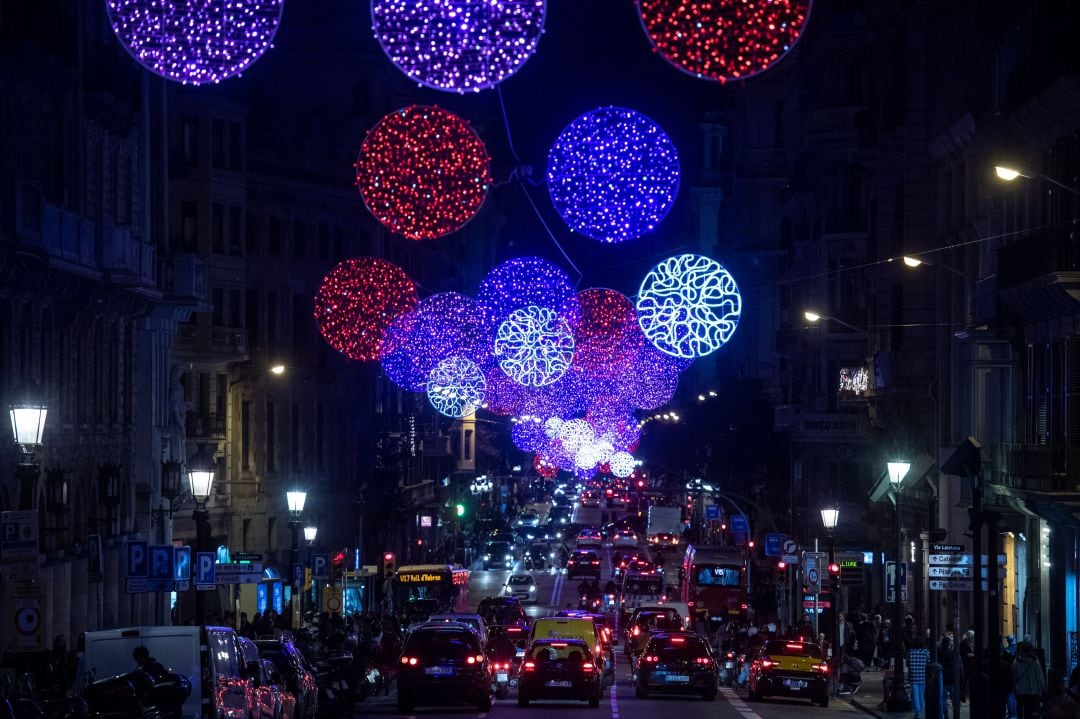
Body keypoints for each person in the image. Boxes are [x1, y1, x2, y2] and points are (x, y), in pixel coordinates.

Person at [1013, 641, 1046, 719]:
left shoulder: (1017, 661)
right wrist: (1043, 688)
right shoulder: (1035, 662)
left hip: (1019, 690)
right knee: (1030, 710)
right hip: (1032, 690)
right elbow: (1040, 677)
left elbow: (1014, 675)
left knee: (1020, 708)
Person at [907, 636, 931, 719]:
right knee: (921, 694)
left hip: (913, 676)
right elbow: (929, 662)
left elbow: (908, 663)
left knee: (915, 694)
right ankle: (920, 709)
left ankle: (918, 711)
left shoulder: (911, 652)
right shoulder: (926, 652)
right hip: (923, 676)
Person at [939, 634, 961, 719]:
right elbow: (957, 665)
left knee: (944, 699)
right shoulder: (952, 653)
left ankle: (946, 715)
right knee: (954, 698)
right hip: (952, 677)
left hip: (944, 678)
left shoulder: (940, 652)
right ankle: (956, 714)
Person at [959, 629, 975, 703]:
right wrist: (970, 654)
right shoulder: (963, 645)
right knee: (963, 682)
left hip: (972, 666)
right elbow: (963, 654)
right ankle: (962, 697)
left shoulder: (973, 643)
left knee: (971, 683)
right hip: (965, 666)